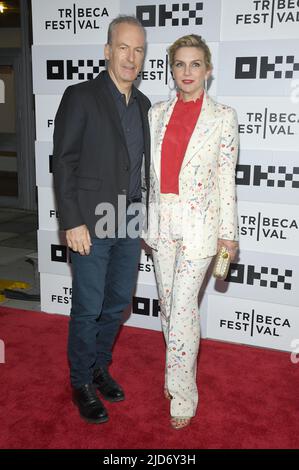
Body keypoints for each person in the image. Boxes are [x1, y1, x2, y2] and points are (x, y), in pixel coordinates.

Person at [53, 16, 150, 424]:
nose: (131, 57)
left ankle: (98, 367)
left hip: (128, 218)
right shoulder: (81, 95)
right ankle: (80, 382)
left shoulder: (144, 104)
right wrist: (71, 220)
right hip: (90, 222)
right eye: (123, 47)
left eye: (138, 50)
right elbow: (65, 162)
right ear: (107, 50)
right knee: (88, 306)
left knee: (116, 305)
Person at [145, 35, 239, 429]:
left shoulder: (223, 117)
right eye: (180, 64)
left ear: (208, 70)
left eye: (195, 64)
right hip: (161, 221)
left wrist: (228, 234)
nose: (187, 72)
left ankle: (183, 394)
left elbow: (225, 179)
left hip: (201, 227)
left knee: (183, 308)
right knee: (168, 306)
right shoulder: (157, 113)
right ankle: (174, 373)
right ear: (172, 69)